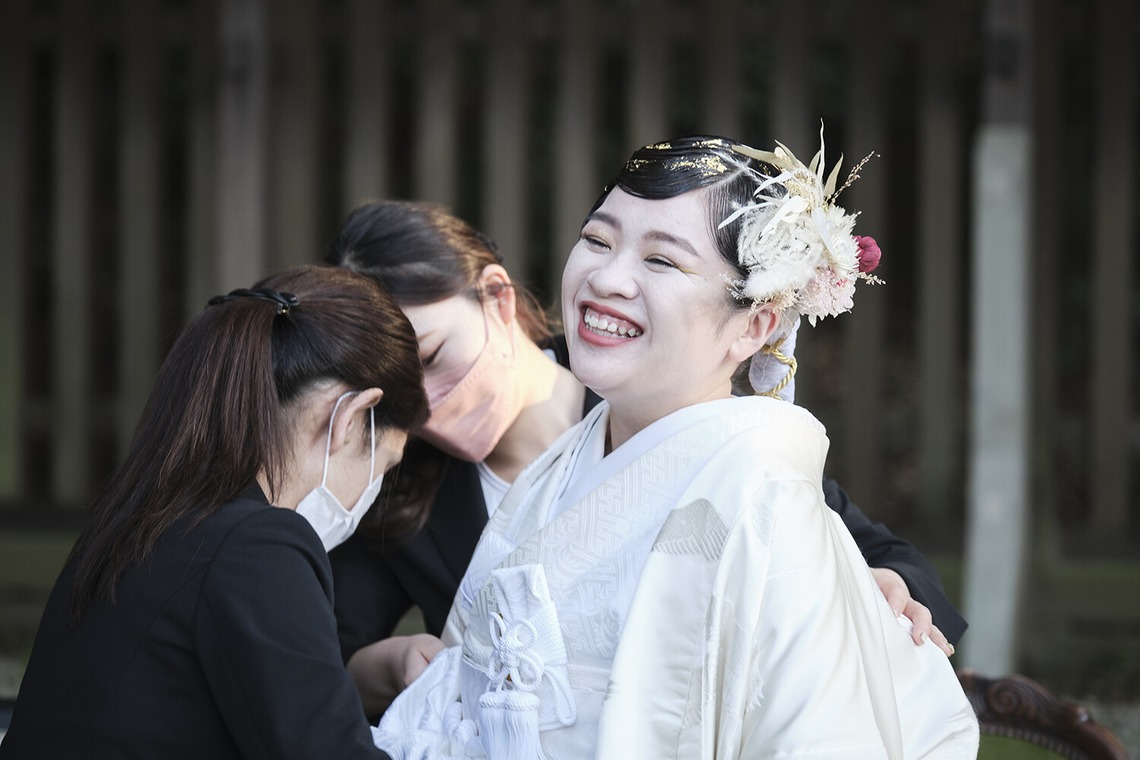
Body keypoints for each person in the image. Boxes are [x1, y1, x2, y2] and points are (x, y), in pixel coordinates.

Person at [369, 133, 979, 758]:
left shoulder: (761, 491)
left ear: (756, 323)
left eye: (662, 261)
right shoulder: (557, 468)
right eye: (598, 241)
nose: (607, 277)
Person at [0, 266, 428, 759]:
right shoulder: (257, 545)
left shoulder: (145, 524)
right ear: (350, 419)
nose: (372, 489)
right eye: (385, 465)